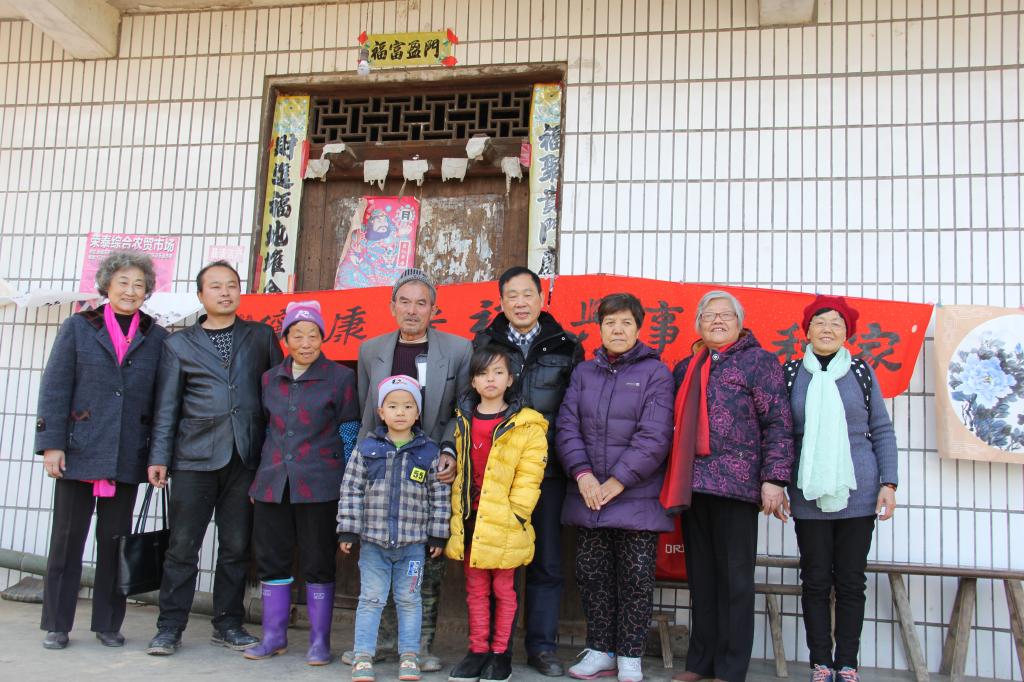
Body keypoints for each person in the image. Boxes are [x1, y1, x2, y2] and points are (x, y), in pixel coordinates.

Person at [145, 260, 283, 656]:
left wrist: (273, 456)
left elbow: (278, 396)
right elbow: (167, 406)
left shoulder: (261, 336)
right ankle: (170, 627)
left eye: (232, 285)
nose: (225, 292)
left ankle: (228, 623)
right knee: (182, 546)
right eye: (216, 286)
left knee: (236, 546)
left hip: (246, 456)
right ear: (201, 295)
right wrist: (159, 456)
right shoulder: (178, 344)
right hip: (194, 457)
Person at [34, 251, 169, 650]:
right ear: (107, 285)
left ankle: (108, 623)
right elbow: (55, 387)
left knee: (115, 543)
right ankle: (57, 624)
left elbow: (163, 402)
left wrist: (158, 456)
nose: (131, 291)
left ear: (147, 291)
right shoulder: (79, 326)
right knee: (66, 540)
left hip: (128, 454)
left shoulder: (157, 337)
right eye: (123, 282)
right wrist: (51, 445)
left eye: (139, 284)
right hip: (78, 451)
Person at [663, 291, 794, 682]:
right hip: (694, 486)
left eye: (725, 315)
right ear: (698, 324)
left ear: (740, 323)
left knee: (735, 581)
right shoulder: (687, 366)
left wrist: (774, 479)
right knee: (701, 579)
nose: (717, 321)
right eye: (709, 315)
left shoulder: (759, 362)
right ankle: (700, 663)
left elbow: (779, 423)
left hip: (738, 487)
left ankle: (731, 669)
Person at [349, 267, 471, 671]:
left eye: (421, 303)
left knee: (424, 563)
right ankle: (381, 643)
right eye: (404, 301)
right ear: (392, 306)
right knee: (380, 556)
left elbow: (462, 410)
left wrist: (449, 450)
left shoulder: (458, 350)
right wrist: (362, 459)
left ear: (434, 309)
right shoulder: (371, 350)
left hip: (430, 466)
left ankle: (420, 646)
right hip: (383, 466)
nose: (412, 310)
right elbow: (367, 412)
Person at [556, 293, 675, 682]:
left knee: (636, 577)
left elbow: (655, 435)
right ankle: (600, 650)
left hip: (636, 496)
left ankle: (630, 655)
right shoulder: (583, 373)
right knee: (592, 575)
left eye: (626, 322)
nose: (617, 330)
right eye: (610, 323)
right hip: (589, 493)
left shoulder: (656, 373)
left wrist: (619, 479)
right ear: (600, 328)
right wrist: (583, 474)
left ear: (639, 328)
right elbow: (567, 426)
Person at [471, 266, 582, 677]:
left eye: (527, 294)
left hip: (546, 472)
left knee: (546, 561)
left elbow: (575, 411)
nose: (520, 303)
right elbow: (467, 400)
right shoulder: (485, 343)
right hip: (495, 471)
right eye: (511, 296)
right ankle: (490, 648)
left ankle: (542, 647)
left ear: (541, 298)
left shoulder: (565, 345)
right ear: (501, 302)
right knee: (492, 560)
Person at [781, 296, 898, 682]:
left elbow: (881, 428)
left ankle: (847, 662)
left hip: (858, 489)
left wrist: (889, 483)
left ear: (847, 333)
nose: (827, 329)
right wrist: (777, 482)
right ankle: (820, 662)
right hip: (808, 489)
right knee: (815, 579)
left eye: (836, 323)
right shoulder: (792, 372)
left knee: (850, 580)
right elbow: (781, 433)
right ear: (807, 331)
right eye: (820, 322)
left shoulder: (861, 371)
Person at [243, 301, 361, 665]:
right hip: (273, 483)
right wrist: (258, 479)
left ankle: (319, 642)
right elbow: (264, 431)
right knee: (271, 559)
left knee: (318, 560)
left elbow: (349, 431)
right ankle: (273, 637)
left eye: (313, 335)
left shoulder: (340, 378)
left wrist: (347, 483)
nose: (306, 343)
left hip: (320, 485)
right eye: (297, 335)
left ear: (323, 338)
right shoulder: (269, 379)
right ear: (286, 339)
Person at [337, 375, 451, 682]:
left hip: (413, 546)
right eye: (393, 406)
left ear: (417, 413)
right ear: (381, 412)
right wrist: (348, 530)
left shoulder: (428, 452)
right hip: (373, 544)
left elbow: (439, 496)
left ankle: (409, 655)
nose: (400, 412)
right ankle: (363, 655)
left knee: (410, 600)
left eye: (408, 406)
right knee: (371, 599)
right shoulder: (366, 449)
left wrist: (438, 534)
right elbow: (351, 489)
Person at [446, 345, 548, 682]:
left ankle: (501, 654)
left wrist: (517, 515)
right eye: (483, 373)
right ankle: (477, 651)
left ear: (510, 379)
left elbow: (529, 477)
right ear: (473, 381)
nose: (490, 379)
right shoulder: (463, 419)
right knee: (476, 590)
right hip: (471, 520)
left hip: (506, 521)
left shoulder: (526, 424)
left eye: (498, 372)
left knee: (504, 590)